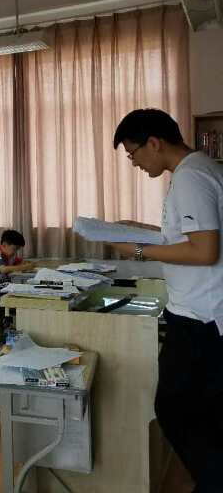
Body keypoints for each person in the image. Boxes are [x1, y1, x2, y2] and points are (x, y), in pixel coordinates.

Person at [107, 108, 223, 491]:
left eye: (133, 153)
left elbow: (204, 250)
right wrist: (138, 230)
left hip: (200, 320)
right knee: (202, 412)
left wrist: (139, 250)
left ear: (154, 143)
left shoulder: (190, 177)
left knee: (174, 410)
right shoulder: (197, 170)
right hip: (202, 314)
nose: (134, 163)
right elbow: (185, 237)